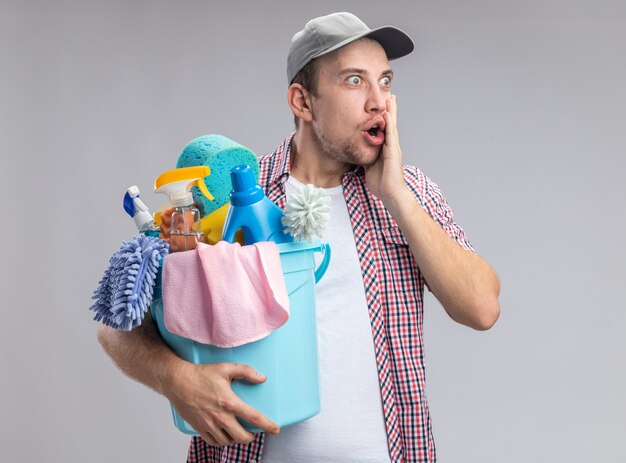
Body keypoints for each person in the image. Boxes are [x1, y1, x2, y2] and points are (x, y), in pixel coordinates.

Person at [97, 12, 500, 463]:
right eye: (354, 81)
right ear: (302, 102)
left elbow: (481, 308)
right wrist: (177, 379)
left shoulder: (410, 193)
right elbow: (117, 329)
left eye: (385, 82)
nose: (378, 102)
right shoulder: (226, 200)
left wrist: (396, 195)